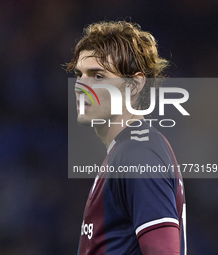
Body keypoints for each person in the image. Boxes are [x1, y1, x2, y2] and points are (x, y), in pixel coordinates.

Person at [66, 21, 186, 255]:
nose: (81, 86)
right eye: (79, 74)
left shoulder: (137, 152)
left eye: (97, 76)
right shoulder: (125, 151)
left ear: (135, 85)